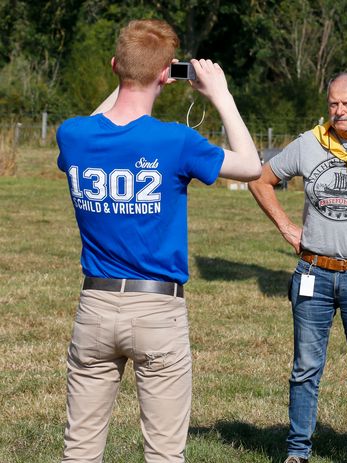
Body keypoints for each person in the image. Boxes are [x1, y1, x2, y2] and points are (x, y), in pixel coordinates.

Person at [56, 19, 261, 462]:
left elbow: (100, 121)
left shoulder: (73, 134)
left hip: (94, 304)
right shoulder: (174, 140)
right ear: (167, 75)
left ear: (114, 67)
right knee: (165, 453)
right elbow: (250, 165)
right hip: (157, 309)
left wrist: (128, 74)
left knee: (80, 449)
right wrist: (221, 95)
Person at [248, 72, 347, 463]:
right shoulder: (308, 143)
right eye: (333, 103)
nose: (339, 111)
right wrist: (287, 227)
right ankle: (298, 450)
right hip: (312, 274)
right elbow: (260, 180)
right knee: (305, 368)